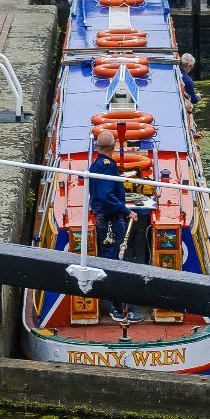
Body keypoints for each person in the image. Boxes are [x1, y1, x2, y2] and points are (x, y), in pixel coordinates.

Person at [88, 130, 141, 321]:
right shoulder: (108, 167)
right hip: (111, 220)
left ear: (97, 146)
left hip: (103, 218)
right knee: (117, 261)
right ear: (114, 146)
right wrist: (127, 211)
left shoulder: (94, 165)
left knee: (112, 258)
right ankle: (119, 307)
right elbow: (106, 196)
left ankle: (118, 303)